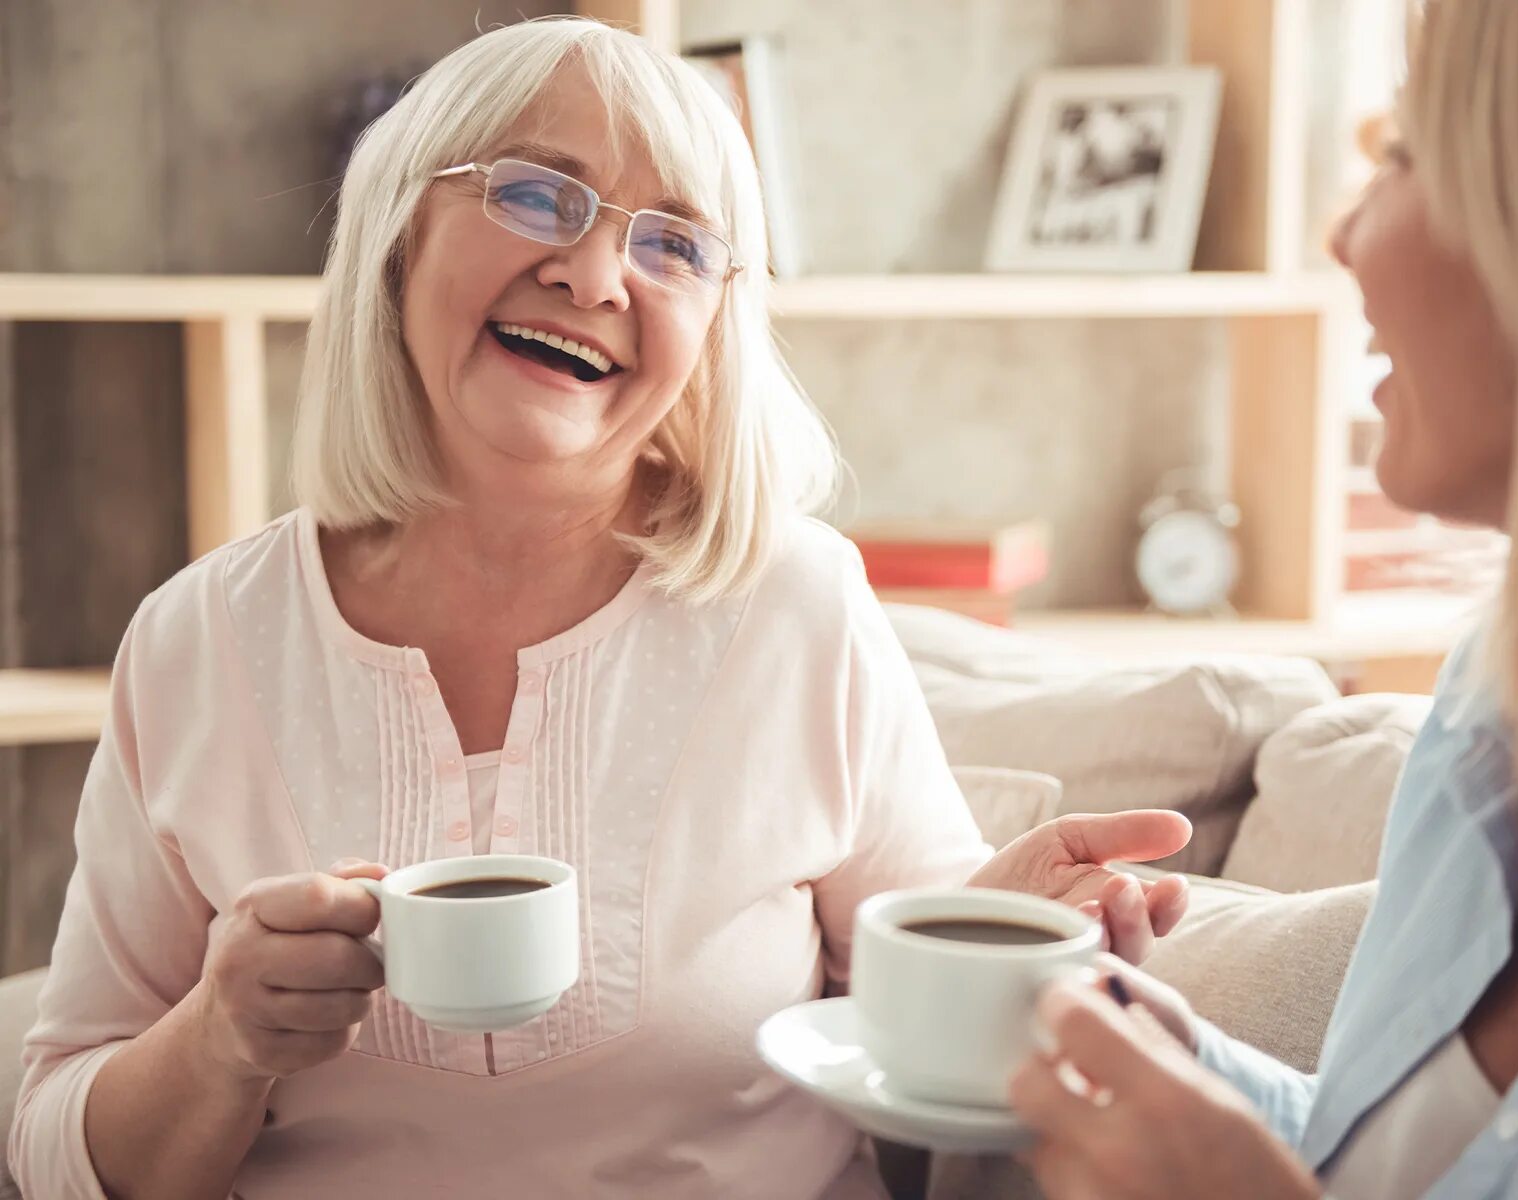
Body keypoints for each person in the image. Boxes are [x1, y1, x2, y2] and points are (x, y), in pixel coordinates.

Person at [6, 18, 1191, 1200]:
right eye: (535, 195)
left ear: (716, 327)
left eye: (674, 244)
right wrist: (219, 1038)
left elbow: (924, 1039)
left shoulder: (798, 607)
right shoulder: (193, 643)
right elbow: (55, 1148)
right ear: (398, 236)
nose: (596, 275)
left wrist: (1020, 950)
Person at [1013, 0, 1518, 1196]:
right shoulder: (1497, 694)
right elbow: (1412, 1163)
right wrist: (1175, 1076)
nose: (1345, 235)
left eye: (1403, 155)